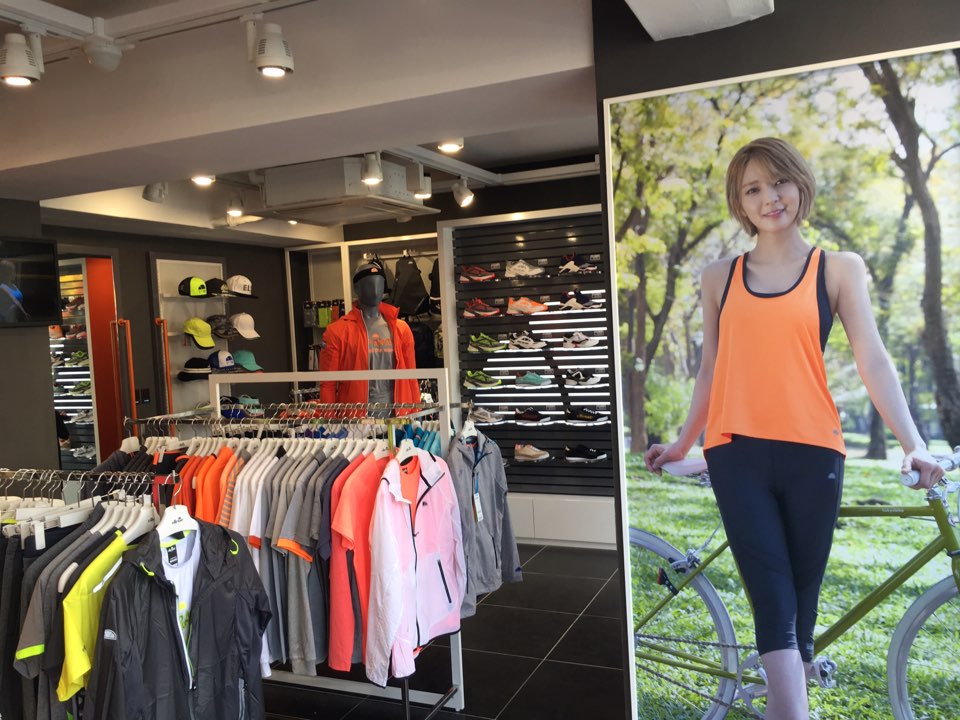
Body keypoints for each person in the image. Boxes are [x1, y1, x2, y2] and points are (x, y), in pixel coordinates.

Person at [644, 137, 945, 720]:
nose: (769, 197)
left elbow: (873, 358)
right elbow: (710, 369)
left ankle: (788, 691)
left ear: (799, 183)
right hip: (736, 452)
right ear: (739, 202)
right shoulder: (719, 277)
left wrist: (913, 444)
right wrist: (684, 442)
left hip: (815, 453)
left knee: (802, 604)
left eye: (778, 181)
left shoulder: (838, 269)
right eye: (752, 189)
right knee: (772, 597)